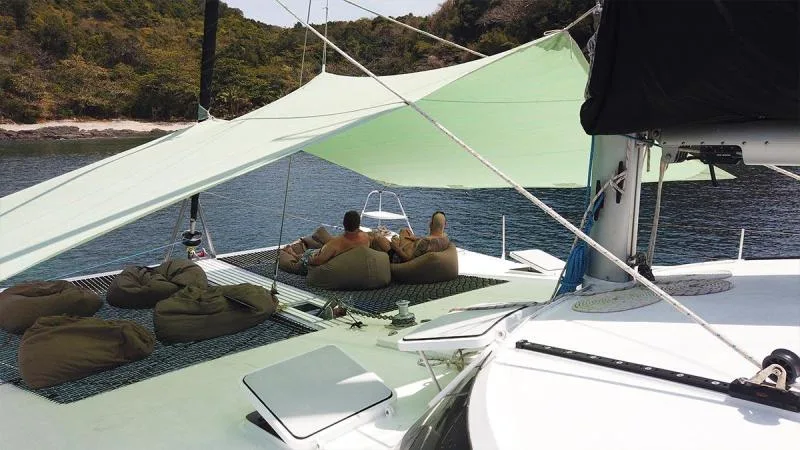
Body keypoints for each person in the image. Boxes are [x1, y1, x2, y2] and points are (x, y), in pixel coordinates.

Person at [285, 210, 371, 275]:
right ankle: (307, 244)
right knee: (320, 237)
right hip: (351, 262)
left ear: (344, 223)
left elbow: (317, 261)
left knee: (308, 253)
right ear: (358, 224)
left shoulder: (335, 244)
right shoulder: (365, 237)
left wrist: (310, 259)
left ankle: (293, 254)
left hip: (329, 262)